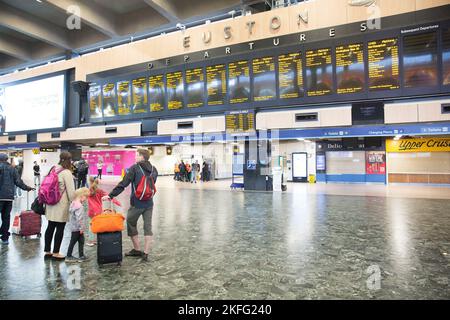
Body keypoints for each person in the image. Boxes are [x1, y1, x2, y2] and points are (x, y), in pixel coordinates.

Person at [107, 149, 158, 262]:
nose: (135, 157)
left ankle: (137, 249)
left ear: (142, 157)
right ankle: (146, 253)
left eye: (137, 155)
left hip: (137, 203)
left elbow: (123, 184)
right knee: (148, 227)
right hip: (149, 202)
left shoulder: (134, 168)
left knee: (130, 222)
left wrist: (111, 195)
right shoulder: (154, 169)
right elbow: (151, 185)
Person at [44, 151, 76, 260]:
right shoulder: (66, 172)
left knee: (50, 226)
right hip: (61, 204)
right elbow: (71, 192)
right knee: (60, 228)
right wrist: (75, 202)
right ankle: (56, 252)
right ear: (69, 160)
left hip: (50, 203)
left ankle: (47, 251)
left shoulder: (53, 168)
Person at [0, 153, 34, 245]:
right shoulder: (12, 169)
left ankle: (2, 232)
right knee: (6, 217)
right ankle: (5, 238)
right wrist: (27, 188)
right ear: (7, 159)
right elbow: (18, 182)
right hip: (8, 197)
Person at [65, 187, 90, 263]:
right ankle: (69, 256)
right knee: (73, 241)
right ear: (82, 196)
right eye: (85, 197)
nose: (85, 199)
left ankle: (81, 255)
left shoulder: (73, 203)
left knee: (81, 240)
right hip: (77, 228)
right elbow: (79, 218)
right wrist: (81, 228)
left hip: (73, 226)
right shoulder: (79, 206)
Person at [86, 176, 107, 246]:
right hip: (99, 210)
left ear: (89, 181)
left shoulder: (89, 190)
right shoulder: (99, 190)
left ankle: (90, 241)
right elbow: (107, 196)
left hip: (92, 211)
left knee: (91, 225)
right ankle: (97, 240)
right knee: (98, 225)